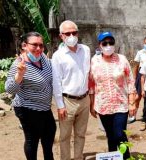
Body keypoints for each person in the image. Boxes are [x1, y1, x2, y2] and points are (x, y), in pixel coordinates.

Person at [5, 32, 56, 160]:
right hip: (27, 108)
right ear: (24, 46)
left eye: (41, 45)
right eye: (34, 45)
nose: (38, 48)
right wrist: (19, 75)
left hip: (45, 107)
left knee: (49, 133)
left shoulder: (42, 57)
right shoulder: (19, 65)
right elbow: (9, 89)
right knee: (32, 140)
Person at [89, 31, 136, 159]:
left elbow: (131, 80)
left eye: (111, 42)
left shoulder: (122, 59)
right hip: (103, 105)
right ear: (100, 45)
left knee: (120, 134)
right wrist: (92, 104)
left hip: (120, 104)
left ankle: (125, 157)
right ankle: (114, 157)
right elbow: (91, 84)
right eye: (105, 43)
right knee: (110, 136)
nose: (108, 45)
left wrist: (132, 103)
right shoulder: (94, 61)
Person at [51, 20, 91, 160]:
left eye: (74, 32)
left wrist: (90, 97)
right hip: (68, 101)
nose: (71, 36)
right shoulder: (58, 56)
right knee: (65, 136)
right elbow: (56, 82)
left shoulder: (85, 50)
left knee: (81, 134)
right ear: (61, 36)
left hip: (85, 99)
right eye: (67, 33)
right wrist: (60, 105)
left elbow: (88, 73)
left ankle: (79, 157)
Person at [130, 36, 146, 123]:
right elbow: (136, 66)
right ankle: (133, 115)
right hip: (141, 76)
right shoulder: (140, 52)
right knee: (137, 97)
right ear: (143, 43)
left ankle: (145, 117)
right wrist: (134, 77)